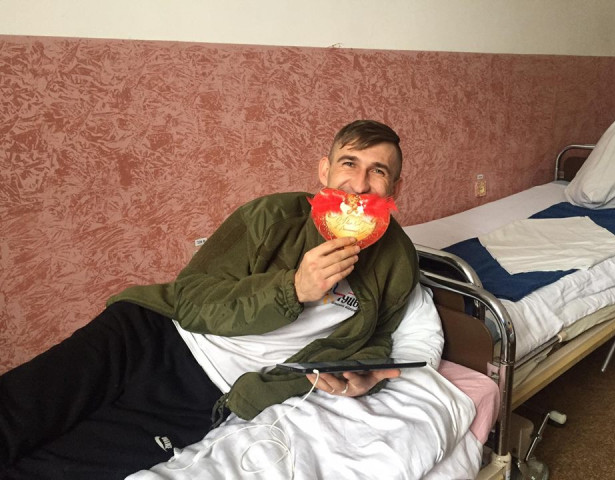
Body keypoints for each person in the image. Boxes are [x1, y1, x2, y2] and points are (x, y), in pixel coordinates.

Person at [0, 120, 436, 479]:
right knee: (18, 412)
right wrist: (293, 288)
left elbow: (377, 337)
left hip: (207, 394)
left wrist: (364, 376)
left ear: (395, 187)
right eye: (349, 163)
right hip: (150, 336)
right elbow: (192, 300)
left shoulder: (398, 261)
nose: (359, 185)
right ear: (324, 171)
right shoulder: (271, 216)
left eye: (378, 171)